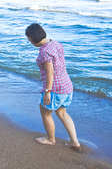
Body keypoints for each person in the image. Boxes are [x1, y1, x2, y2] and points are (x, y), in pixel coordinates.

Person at [25, 23, 81, 152]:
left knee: (46, 114)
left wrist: (47, 92)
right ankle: (74, 142)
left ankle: (51, 139)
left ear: (34, 37)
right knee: (62, 113)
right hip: (67, 85)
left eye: (29, 40)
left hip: (55, 88)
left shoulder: (44, 51)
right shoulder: (55, 43)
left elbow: (50, 72)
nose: (30, 43)